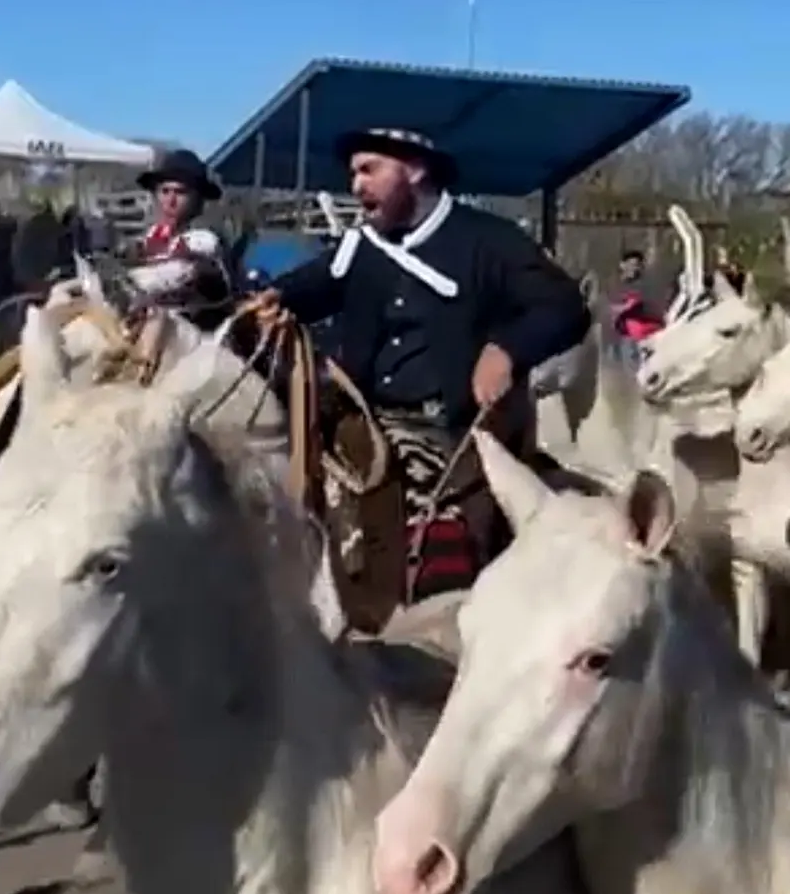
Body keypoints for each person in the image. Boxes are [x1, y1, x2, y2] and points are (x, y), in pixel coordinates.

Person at [254, 126, 591, 598]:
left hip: (455, 437)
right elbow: (311, 287)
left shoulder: (489, 241)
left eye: (368, 170)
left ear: (414, 170)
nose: (356, 186)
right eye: (353, 174)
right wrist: (274, 301)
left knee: (446, 571)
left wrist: (506, 349)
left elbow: (564, 307)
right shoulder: (362, 247)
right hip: (365, 432)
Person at [133, 148, 232, 326]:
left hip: (198, 330)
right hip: (157, 324)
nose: (170, 201)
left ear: (198, 198)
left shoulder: (204, 238)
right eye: (165, 191)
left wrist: (132, 281)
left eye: (180, 192)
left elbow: (177, 272)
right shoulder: (154, 234)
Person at [608, 249, 664, 365]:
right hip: (621, 337)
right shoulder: (614, 285)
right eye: (631, 264)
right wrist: (626, 306)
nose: (634, 268)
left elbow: (655, 306)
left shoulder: (646, 285)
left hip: (644, 335)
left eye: (638, 265)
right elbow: (609, 309)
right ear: (622, 265)